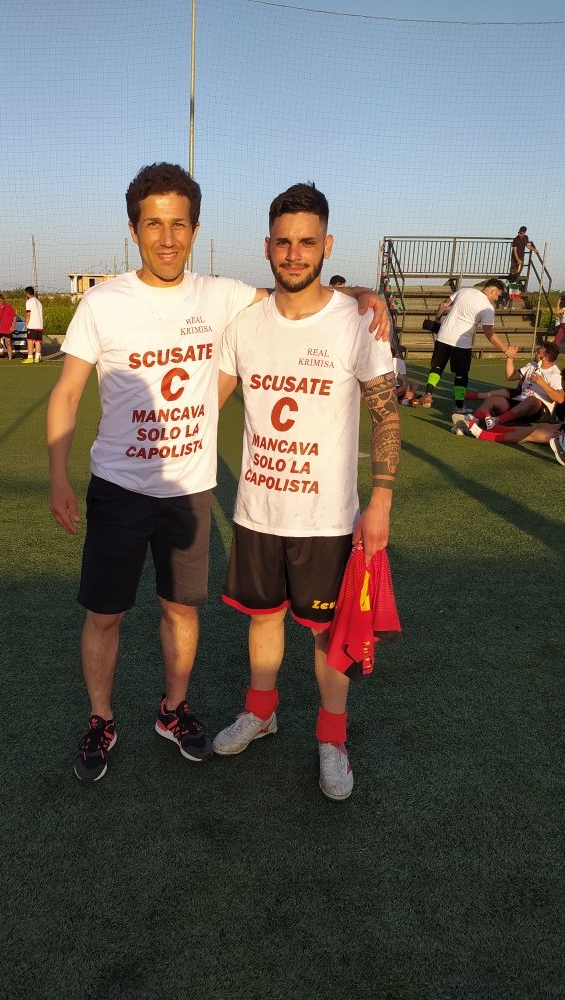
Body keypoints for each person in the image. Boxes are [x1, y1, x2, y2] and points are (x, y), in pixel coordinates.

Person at [46, 162, 391, 783]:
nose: (167, 238)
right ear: (134, 230)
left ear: (196, 230)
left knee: (200, 613)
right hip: (129, 491)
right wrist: (58, 476)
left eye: (179, 224)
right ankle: (112, 719)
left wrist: (366, 292)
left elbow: (305, 296)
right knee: (111, 615)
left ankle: (196, 715)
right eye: (154, 224)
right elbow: (72, 392)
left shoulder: (230, 296)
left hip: (203, 495)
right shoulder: (110, 303)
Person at [211, 183, 400, 801]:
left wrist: (381, 501)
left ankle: (331, 739)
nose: (295, 254)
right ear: (267, 246)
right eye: (284, 242)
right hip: (258, 510)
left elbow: (385, 414)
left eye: (307, 242)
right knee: (263, 619)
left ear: (327, 245)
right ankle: (260, 712)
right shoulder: (244, 324)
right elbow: (209, 402)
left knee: (326, 635)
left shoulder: (357, 321)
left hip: (326, 519)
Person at [412, 279, 516, 412]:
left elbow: (444, 304)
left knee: (437, 367)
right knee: (461, 375)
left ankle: (428, 394)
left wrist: (437, 319)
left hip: (443, 336)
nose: (497, 299)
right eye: (498, 296)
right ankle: (459, 406)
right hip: (461, 343)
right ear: (493, 291)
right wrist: (505, 349)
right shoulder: (488, 308)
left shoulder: (464, 291)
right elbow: (489, 332)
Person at [451, 343, 563, 430]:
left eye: (538, 352)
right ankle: (472, 421)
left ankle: (496, 421)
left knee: (532, 400)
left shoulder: (555, 374)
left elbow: (560, 399)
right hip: (519, 402)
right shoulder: (531, 366)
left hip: (538, 412)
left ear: (544, 357)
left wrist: (542, 383)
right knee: (492, 399)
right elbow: (510, 376)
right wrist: (510, 358)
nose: (535, 352)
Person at [22, 286, 44, 364]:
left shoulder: (29, 301)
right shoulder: (38, 302)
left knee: (30, 341)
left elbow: (28, 313)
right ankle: (37, 358)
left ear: (27, 293)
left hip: (32, 324)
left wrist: (26, 323)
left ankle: (30, 357)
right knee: (38, 341)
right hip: (39, 325)